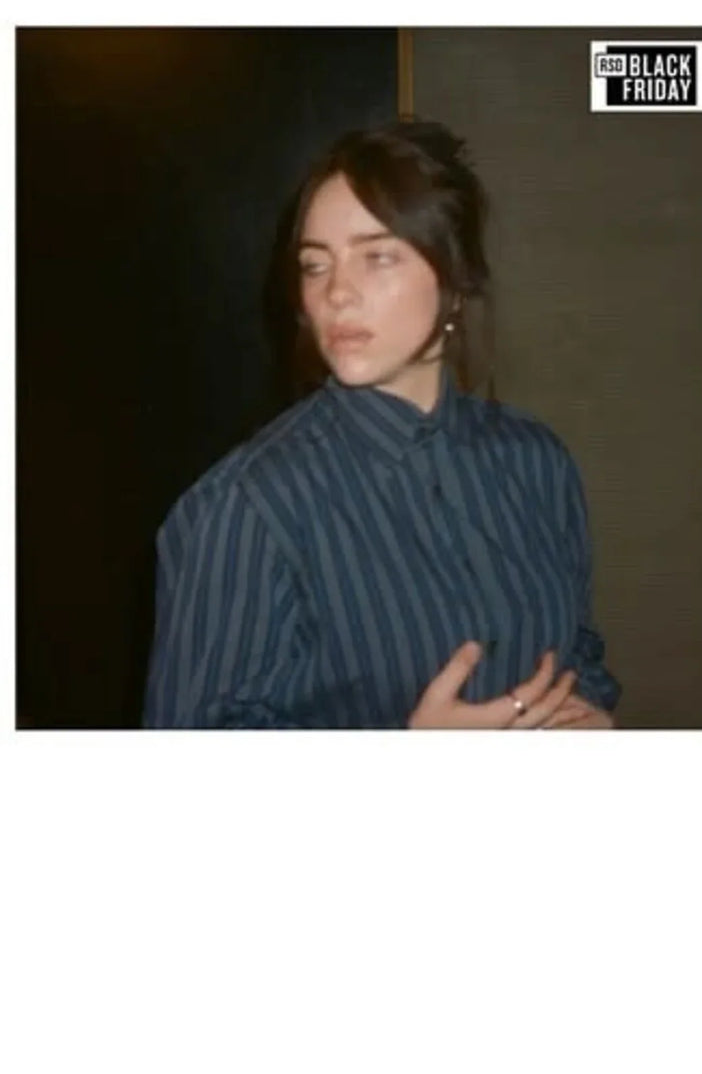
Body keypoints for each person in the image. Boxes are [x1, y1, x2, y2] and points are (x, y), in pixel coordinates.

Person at [142, 120, 621, 728]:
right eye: (315, 265)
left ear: (454, 281)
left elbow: (579, 652)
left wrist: (588, 716)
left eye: (377, 257)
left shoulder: (537, 462)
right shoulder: (246, 507)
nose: (337, 293)